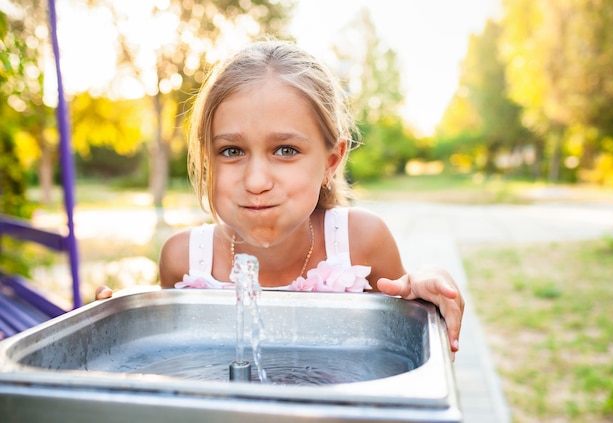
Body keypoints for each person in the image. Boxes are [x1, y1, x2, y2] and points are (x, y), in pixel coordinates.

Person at [97, 39, 464, 359]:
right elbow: (175, 364)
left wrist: (428, 287)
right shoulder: (184, 260)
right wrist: (120, 325)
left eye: (285, 150)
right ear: (207, 158)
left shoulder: (360, 242)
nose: (256, 181)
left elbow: (403, 343)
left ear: (331, 162)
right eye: (231, 151)